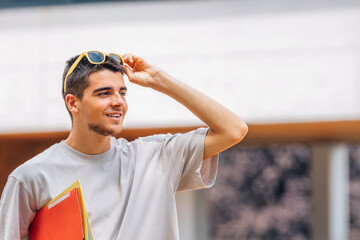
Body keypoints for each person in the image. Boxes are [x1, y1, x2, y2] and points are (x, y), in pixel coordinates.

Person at [0, 51, 248, 240]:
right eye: (104, 93)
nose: (118, 102)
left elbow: (234, 130)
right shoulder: (31, 177)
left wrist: (160, 80)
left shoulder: (156, 157)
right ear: (73, 103)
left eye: (123, 92)